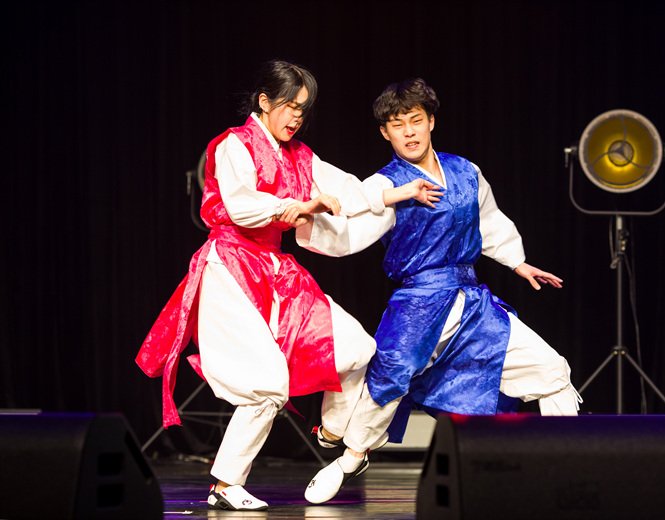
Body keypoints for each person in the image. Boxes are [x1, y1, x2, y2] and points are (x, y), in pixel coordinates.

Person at [135, 62, 439, 511]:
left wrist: (403, 192)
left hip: (274, 270)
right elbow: (240, 206)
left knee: (356, 347)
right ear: (264, 101)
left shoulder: (299, 155)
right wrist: (299, 205)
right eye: (290, 106)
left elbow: (348, 190)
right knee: (268, 385)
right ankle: (225, 484)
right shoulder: (233, 145)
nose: (297, 117)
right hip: (231, 267)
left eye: (303, 109)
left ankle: (330, 431)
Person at [298, 78, 582, 504]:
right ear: (385, 133)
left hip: (471, 303)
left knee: (553, 371)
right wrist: (305, 217)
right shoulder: (386, 185)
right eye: (398, 125)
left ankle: (569, 472)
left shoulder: (465, 171)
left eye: (415, 120)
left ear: (431, 121)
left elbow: (488, 221)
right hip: (418, 303)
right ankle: (350, 458)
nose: (409, 132)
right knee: (389, 376)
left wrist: (518, 262)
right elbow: (349, 232)